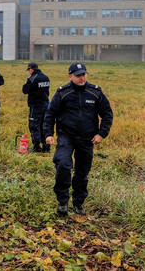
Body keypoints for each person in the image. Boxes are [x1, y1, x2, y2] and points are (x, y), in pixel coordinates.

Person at [44, 62, 113, 216]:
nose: (82, 78)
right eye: (78, 75)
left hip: (87, 139)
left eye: (83, 74)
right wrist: (48, 134)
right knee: (62, 164)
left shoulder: (95, 92)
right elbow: (50, 114)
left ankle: (78, 203)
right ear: (70, 76)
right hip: (66, 136)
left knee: (82, 172)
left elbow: (107, 114)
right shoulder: (63, 93)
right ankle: (62, 201)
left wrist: (101, 134)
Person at [22, 62, 51, 152]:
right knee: (44, 126)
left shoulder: (32, 78)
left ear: (31, 69)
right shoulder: (46, 77)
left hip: (35, 106)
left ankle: (37, 147)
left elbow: (25, 90)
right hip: (46, 105)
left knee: (34, 126)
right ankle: (46, 147)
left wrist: (28, 81)